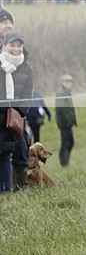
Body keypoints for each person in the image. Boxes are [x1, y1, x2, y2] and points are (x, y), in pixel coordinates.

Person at [0, 32, 33, 192]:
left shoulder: (27, 68)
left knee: (19, 151)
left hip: (16, 117)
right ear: (4, 46)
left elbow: (27, 93)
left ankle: (17, 187)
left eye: (19, 45)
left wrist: (19, 111)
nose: (15, 49)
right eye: (12, 45)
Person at [55, 74, 77, 166]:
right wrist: (68, 121)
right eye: (66, 82)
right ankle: (64, 163)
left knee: (70, 142)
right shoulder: (61, 93)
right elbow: (61, 109)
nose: (68, 84)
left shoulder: (67, 93)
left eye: (70, 82)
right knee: (65, 143)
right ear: (63, 83)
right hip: (64, 123)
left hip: (69, 123)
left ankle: (66, 162)